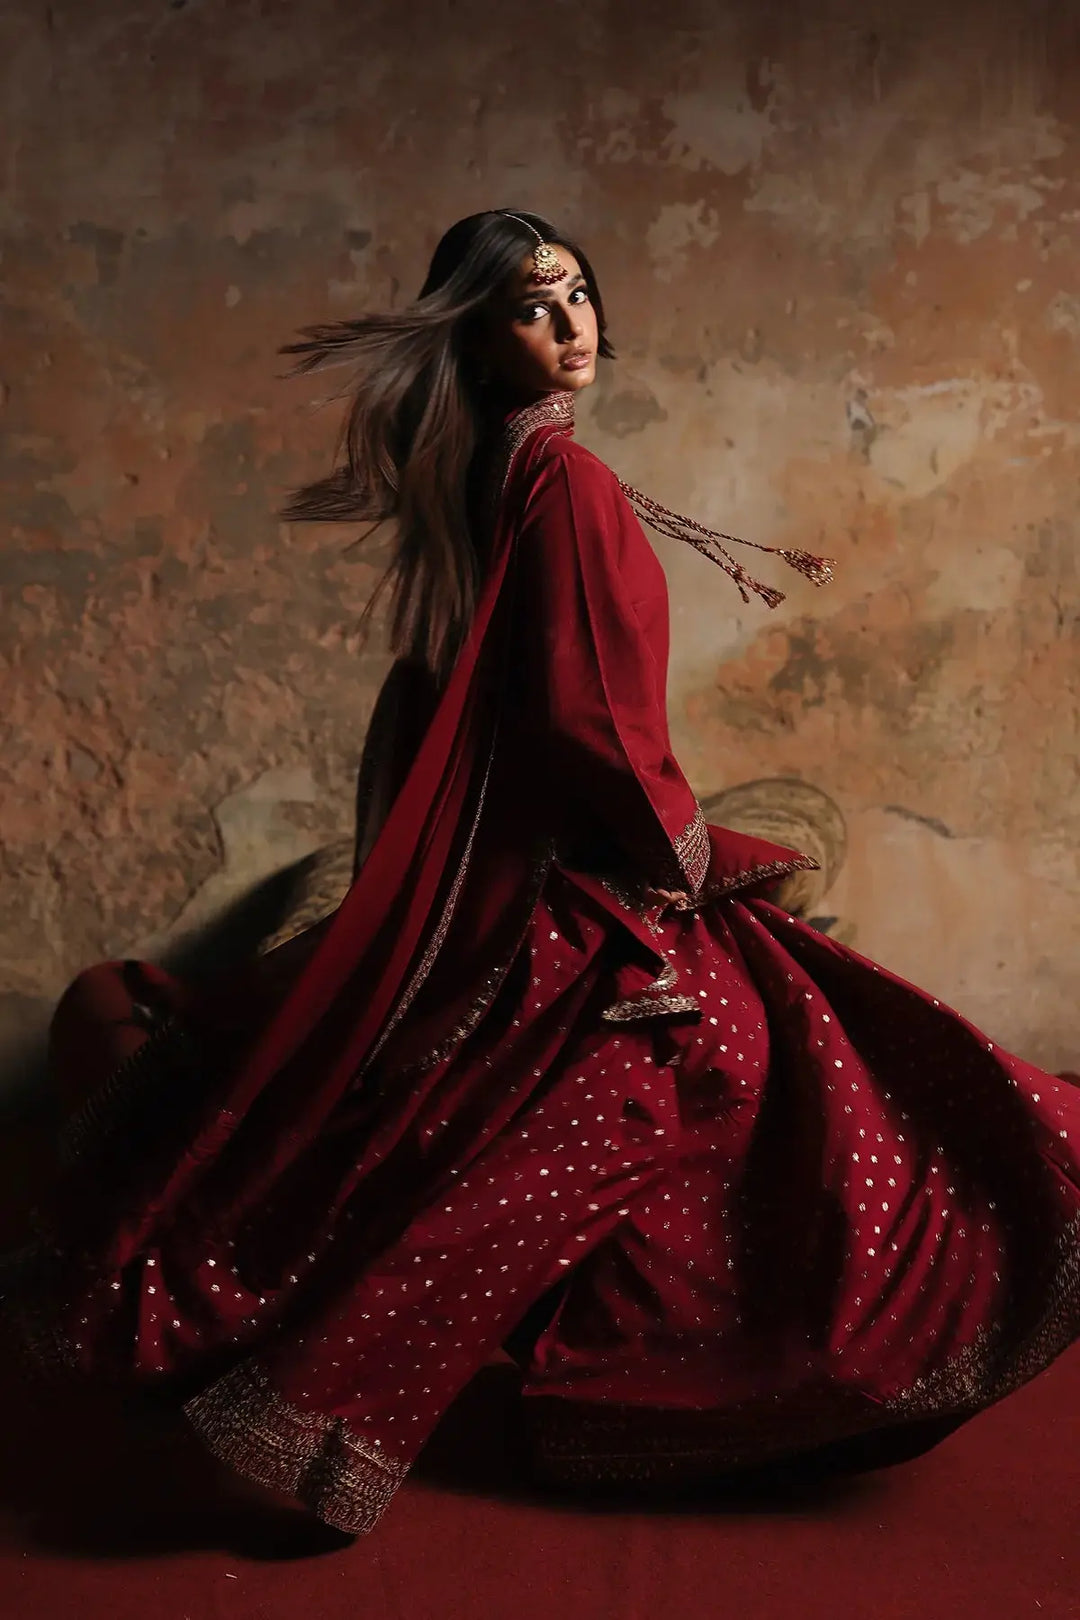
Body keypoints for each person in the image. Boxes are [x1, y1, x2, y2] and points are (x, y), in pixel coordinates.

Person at [4, 209, 1079, 1545]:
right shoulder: (555, 482)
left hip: (541, 885)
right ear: (478, 332)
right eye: (531, 306)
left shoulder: (487, 473)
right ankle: (374, 1410)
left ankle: (606, 1390)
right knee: (724, 1075)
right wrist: (692, 857)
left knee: (696, 1098)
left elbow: (452, 711)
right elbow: (591, 724)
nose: (571, 329)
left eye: (578, 297)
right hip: (592, 890)